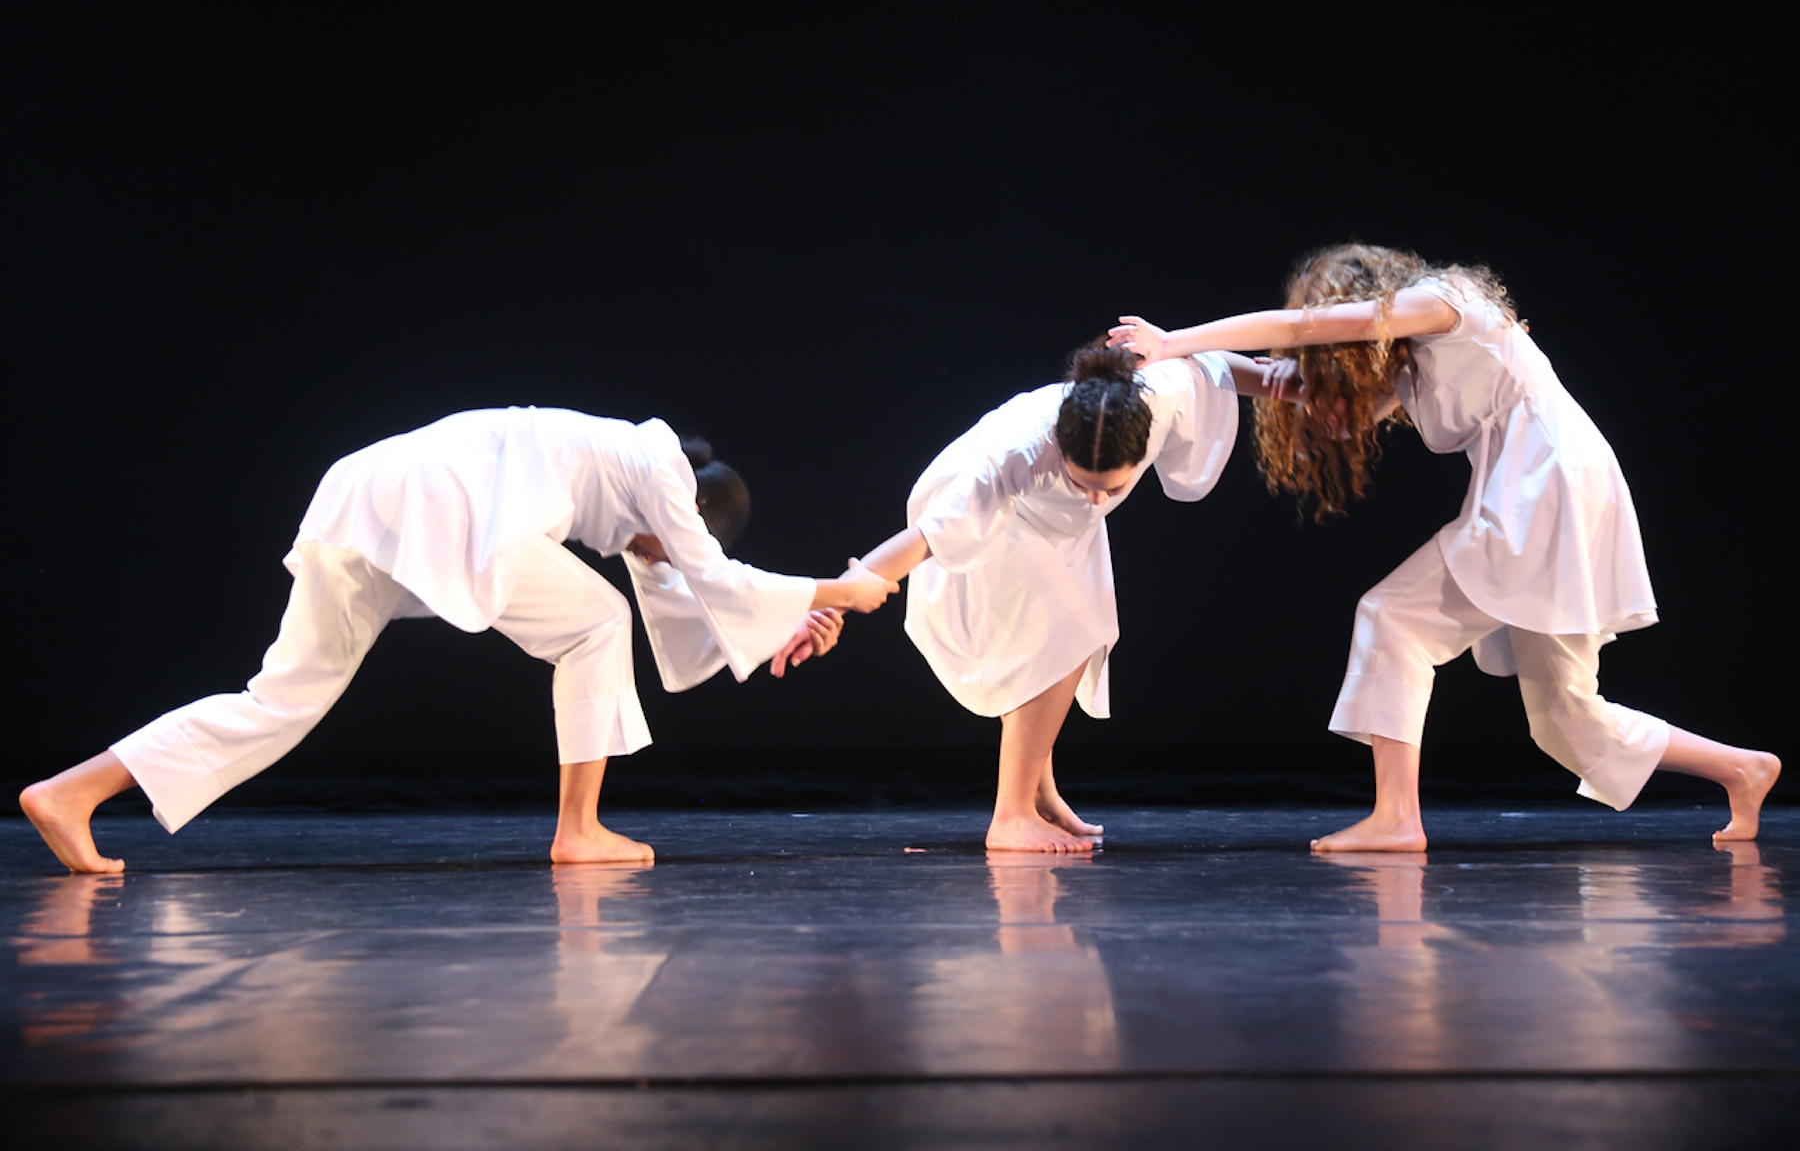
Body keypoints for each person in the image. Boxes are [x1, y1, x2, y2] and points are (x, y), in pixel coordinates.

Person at [21, 407, 897, 874]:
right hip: (432, 508)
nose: (655, 558)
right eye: (677, 544)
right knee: (597, 623)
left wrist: (792, 616)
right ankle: (579, 831)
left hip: (364, 499)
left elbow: (695, 602)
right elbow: (708, 579)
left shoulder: (628, 484)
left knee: (282, 699)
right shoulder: (661, 467)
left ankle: (70, 793)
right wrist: (844, 592)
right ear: (694, 515)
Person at [1111, 244, 1780, 851]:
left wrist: (1173, 341)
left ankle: (1396, 816)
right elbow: (1285, 376)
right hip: (1552, 489)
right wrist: (1191, 364)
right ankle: (1743, 769)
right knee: (1567, 720)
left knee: (1394, 617)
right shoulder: (1410, 363)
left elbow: (1299, 332)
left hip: (1545, 487)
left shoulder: (1446, 307)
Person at [782, 341, 1275, 852]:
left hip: (1062, 530)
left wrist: (1294, 386)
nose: (1098, 499)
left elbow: (1213, 368)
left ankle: (1040, 797)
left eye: (1113, 487)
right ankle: (1011, 813)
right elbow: (921, 541)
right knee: (1070, 631)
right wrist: (829, 603)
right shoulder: (1016, 455)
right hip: (1002, 518)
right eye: (1085, 483)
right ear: (1061, 450)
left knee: (1067, 640)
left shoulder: (1158, 397)